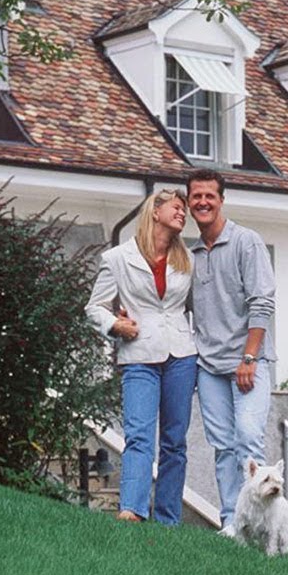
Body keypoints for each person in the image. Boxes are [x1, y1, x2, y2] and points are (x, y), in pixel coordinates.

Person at [85, 188, 199, 525]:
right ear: (155, 211)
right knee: (138, 435)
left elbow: (195, 309)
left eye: (184, 211)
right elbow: (94, 307)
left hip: (182, 355)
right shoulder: (118, 258)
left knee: (175, 442)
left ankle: (167, 518)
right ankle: (132, 510)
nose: (183, 214)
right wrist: (115, 324)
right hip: (138, 355)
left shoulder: (188, 260)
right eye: (177, 208)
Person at [185, 168, 277, 529]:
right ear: (190, 203)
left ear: (222, 199)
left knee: (249, 439)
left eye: (210, 196)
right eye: (196, 196)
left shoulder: (246, 242)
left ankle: (260, 524)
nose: (203, 202)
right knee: (222, 446)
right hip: (209, 367)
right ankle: (231, 523)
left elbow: (262, 303)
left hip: (248, 362)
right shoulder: (191, 254)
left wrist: (249, 358)